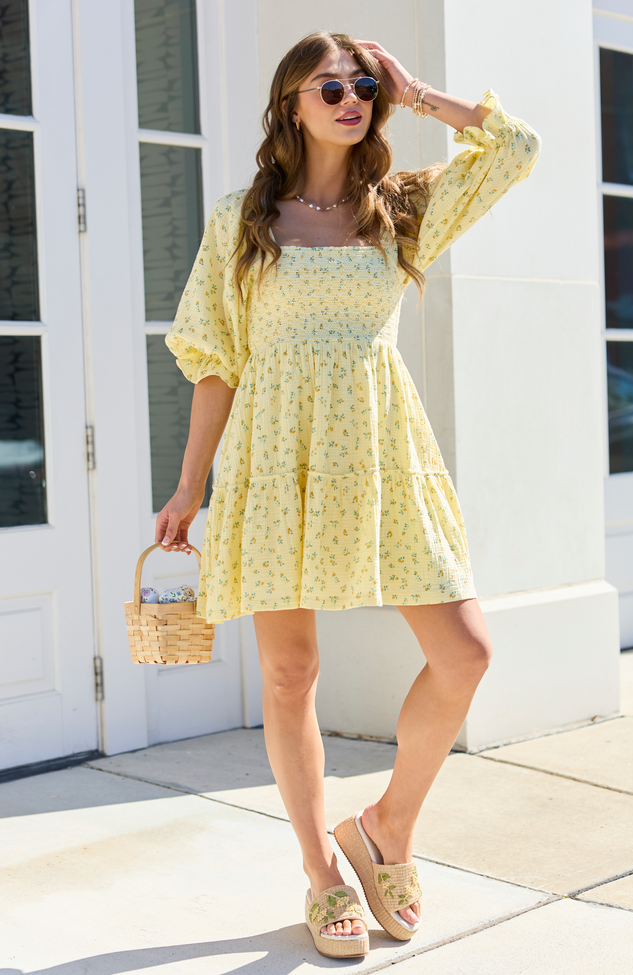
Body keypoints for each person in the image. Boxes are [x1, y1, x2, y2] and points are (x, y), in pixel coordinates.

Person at [156, 31, 540, 960]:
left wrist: (420, 95)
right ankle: (320, 870)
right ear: (292, 101)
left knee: (465, 652)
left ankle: (383, 831)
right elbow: (216, 363)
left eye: (363, 86)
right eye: (330, 86)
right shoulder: (239, 219)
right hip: (273, 457)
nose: (350, 98)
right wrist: (187, 487)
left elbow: (518, 149)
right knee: (291, 677)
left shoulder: (399, 210)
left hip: (380, 452)